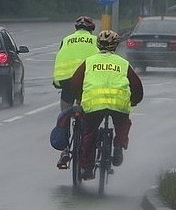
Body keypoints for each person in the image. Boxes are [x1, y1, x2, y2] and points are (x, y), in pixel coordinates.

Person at [70, 30, 143, 180]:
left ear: (98, 45)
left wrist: (79, 98)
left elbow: (75, 83)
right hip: (118, 103)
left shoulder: (89, 62)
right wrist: (134, 100)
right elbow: (137, 86)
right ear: (116, 46)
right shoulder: (123, 63)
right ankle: (118, 145)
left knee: (89, 133)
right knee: (123, 123)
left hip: (93, 103)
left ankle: (88, 168)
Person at [52, 16, 99, 169]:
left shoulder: (66, 40)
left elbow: (59, 60)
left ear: (76, 29)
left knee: (64, 113)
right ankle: (86, 146)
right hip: (87, 82)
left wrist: (57, 82)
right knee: (87, 113)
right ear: (91, 29)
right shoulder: (96, 41)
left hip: (66, 82)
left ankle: (64, 150)